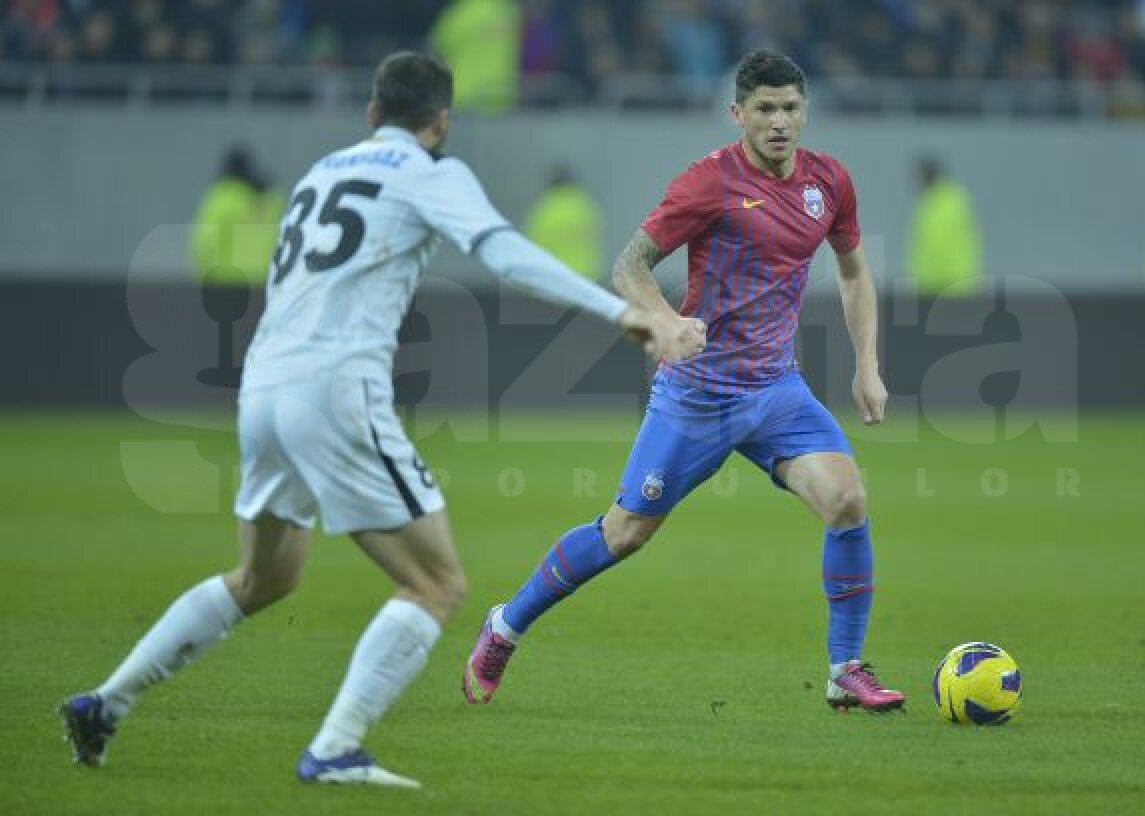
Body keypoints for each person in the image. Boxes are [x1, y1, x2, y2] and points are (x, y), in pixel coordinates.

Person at [60, 51, 704, 788]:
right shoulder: (431, 172)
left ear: (372, 114)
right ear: (442, 122)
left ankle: (105, 701)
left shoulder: (321, 172)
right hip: (336, 392)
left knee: (263, 577)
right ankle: (334, 747)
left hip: (262, 391)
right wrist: (622, 313)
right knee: (437, 584)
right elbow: (503, 253)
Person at [463, 49, 906, 713]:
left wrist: (866, 363)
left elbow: (852, 272)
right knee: (625, 534)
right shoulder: (709, 183)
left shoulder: (830, 183)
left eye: (789, 107)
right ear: (738, 114)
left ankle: (845, 669)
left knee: (846, 501)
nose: (779, 121)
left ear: (805, 110)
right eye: (764, 109)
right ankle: (505, 625)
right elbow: (629, 265)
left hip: (776, 390)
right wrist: (666, 321)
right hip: (697, 394)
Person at [190, 146, 284, 285]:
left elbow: (204, 242)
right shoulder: (273, 202)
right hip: (265, 281)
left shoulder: (221, 199)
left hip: (226, 282)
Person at [907, 156, 982, 297]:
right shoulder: (934, 200)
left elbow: (936, 242)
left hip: (951, 283)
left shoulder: (945, 202)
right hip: (936, 283)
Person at [524, 164, 604, 280]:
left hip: (556, 276)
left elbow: (532, 244)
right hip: (588, 276)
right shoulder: (586, 207)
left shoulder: (544, 210)